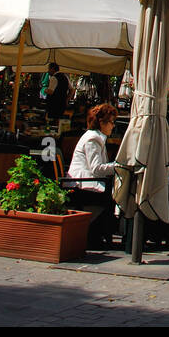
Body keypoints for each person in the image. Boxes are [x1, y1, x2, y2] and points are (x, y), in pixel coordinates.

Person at [66, 103, 119, 246]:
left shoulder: (96, 137)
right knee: (117, 196)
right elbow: (96, 168)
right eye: (111, 122)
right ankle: (96, 235)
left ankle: (97, 234)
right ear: (102, 122)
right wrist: (119, 167)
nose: (113, 126)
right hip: (81, 185)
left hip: (85, 182)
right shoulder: (93, 138)